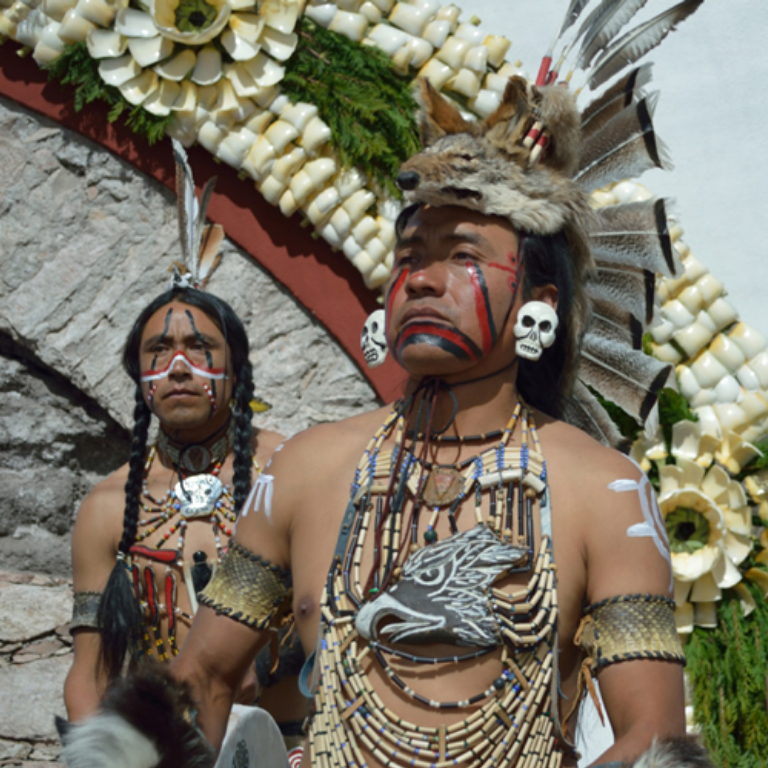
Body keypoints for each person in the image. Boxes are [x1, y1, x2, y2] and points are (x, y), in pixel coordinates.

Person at [59, 13, 714, 768]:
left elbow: (651, 739)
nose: (423, 278)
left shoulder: (605, 489)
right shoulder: (305, 469)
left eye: (460, 254)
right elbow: (201, 677)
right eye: (411, 255)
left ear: (539, 298)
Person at [62, 143, 307, 757]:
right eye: (157, 354)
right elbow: (91, 672)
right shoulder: (107, 506)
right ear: (139, 381)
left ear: (235, 371)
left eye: (200, 349)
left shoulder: (296, 472)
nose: (177, 367)